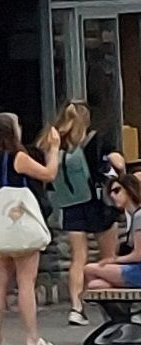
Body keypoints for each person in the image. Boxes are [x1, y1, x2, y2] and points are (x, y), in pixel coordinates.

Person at [0, 110, 63, 345]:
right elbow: (49, 174)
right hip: (19, 225)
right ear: (12, 132)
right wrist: (54, 150)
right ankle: (32, 337)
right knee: (26, 281)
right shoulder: (17, 157)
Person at [50, 100, 129, 326]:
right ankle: (112, 309)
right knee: (107, 259)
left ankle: (76, 307)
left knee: (78, 259)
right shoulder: (97, 141)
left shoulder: (59, 143)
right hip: (99, 204)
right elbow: (118, 163)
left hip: (72, 205)